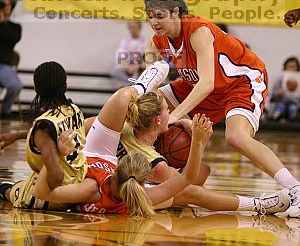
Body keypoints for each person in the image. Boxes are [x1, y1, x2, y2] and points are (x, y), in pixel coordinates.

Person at [133, 0, 300, 217]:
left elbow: (207, 83)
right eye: (150, 16)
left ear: (176, 13)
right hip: (202, 84)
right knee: (147, 103)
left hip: (240, 80)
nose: (154, 21)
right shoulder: (156, 41)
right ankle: (156, 177)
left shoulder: (197, 31)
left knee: (236, 137)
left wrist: (174, 117)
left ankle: (295, 189)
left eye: (159, 15)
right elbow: (147, 77)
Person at [31, 85, 289, 217]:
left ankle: (258, 204)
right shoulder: (142, 192)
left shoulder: (124, 133)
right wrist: (198, 142)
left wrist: (55, 151)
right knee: (191, 193)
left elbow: (86, 126)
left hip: (95, 164)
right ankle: (257, 203)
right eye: (168, 111)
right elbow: (190, 179)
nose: (173, 113)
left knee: (120, 100)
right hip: (105, 177)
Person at [0, 61, 87, 210]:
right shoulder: (74, 109)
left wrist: (57, 154)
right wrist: (16, 136)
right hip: (81, 184)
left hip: (53, 197)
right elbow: (50, 137)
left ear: (36, 89)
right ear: (65, 86)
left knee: (4, 189)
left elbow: (55, 179)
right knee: (21, 183)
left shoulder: (44, 127)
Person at [0, 0, 22, 119]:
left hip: (4, 66)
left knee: (16, 85)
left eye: (6, 5)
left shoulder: (14, 27)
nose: (3, 7)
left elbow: (12, 39)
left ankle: (5, 111)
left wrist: (2, 22)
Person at [111, 20, 146, 87]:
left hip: (139, 68)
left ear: (139, 28)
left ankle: (130, 85)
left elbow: (145, 58)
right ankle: (130, 85)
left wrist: (137, 67)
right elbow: (120, 57)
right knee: (115, 72)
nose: (132, 30)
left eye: (135, 27)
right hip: (126, 67)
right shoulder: (124, 41)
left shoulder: (144, 42)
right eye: (131, 27)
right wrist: (127, 67)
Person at [269, 57, 300, 121]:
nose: (291, 69)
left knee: (293, 108)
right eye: (289, 66)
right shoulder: (280, 79)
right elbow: (272, 96)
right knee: (280, 107)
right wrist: (278, 93)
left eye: (293, 66)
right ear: (285, 67)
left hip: (294, 103)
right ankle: (278, 117)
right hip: (281, 101)